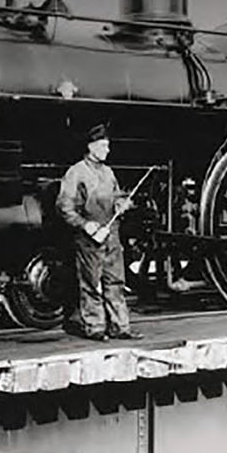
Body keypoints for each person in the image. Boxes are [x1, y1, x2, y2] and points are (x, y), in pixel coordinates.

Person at [56, 122, 143, 342]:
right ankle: (95, 327)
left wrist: (123, 204)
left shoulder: (108, 172)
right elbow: (65, 207)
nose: (108, 150)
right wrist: (85, 225)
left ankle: (120, 327)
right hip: (89, 237)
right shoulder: (76, 172)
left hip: (111, 234)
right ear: (91, 146)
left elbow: (116, 196)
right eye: (104, 146)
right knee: (91, 284)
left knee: (115, 282)